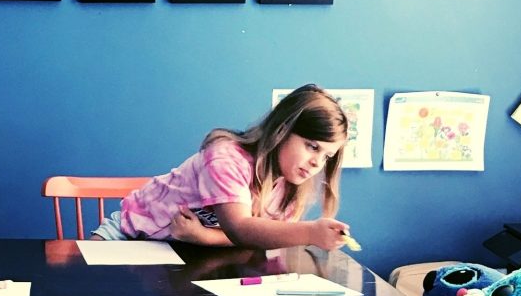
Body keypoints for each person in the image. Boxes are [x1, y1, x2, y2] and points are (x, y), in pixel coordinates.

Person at [92, 84, 350, 250]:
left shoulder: (291, 189)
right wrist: (310, 232)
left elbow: (253, 236)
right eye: (312, 147)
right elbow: (239, 228)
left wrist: (203, 237)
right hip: (129, 236)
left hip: (185, 254)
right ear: (282, 130)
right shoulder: (226, 158)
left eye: (327, 156)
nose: (317, 163)